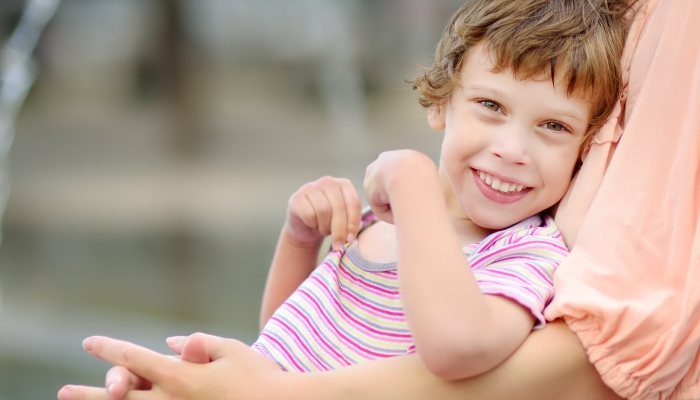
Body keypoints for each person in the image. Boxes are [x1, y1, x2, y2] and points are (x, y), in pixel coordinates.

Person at [58, 0, 700, 398]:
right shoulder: (379, 222)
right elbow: (283, 340)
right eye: (490, 107)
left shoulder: (527, 258)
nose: (512, 148)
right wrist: (298, 240)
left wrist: (415, 181)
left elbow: (458, 348)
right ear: (438, 102)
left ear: (586, 152)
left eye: (553, 128)